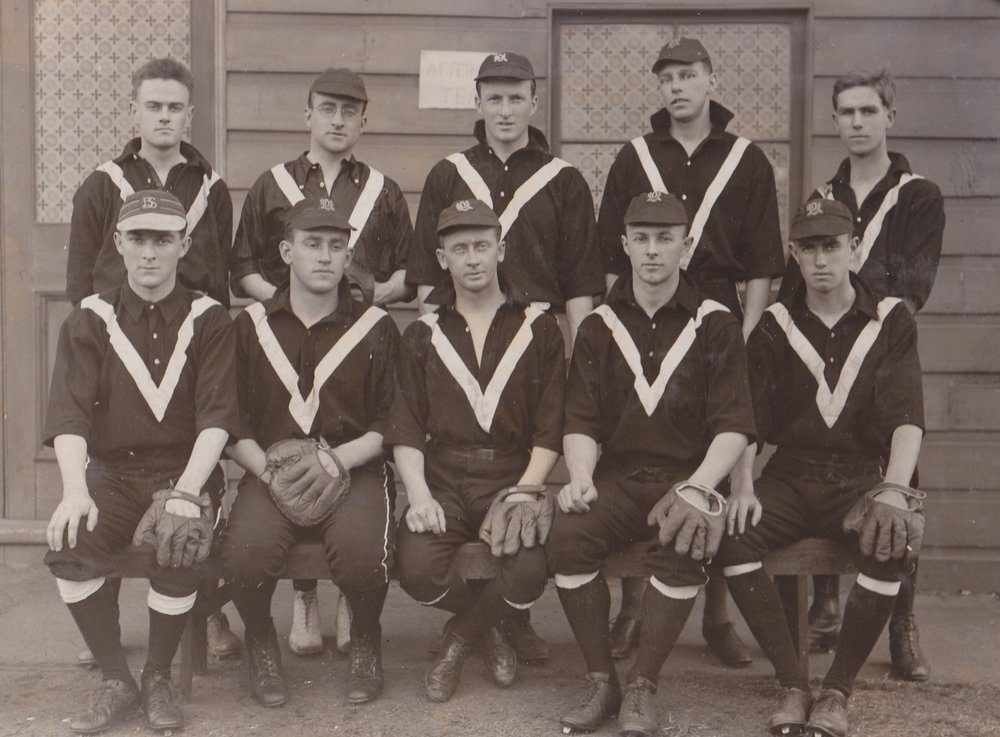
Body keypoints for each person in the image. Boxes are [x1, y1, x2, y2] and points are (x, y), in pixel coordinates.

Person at [596, 37, 785, 666]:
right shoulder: (635, 157)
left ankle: (716, 615)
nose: (677, 87)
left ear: (711, 79)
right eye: (668, 77)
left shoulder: (746, 159)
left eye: (689, 75)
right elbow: (608, 251)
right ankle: (632, 607)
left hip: (719, 316)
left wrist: (750, 328)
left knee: (721, 450)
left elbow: (760, 258)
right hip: (645, 310)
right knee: (638, 440)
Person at [547, 192, 755, 736]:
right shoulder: (597, 325)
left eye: (665, 239)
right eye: (641, 238)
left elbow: (734, 425)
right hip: (618, 481)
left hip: (685, 480)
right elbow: (581, 422)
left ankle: (641, 685)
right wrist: (581, 478)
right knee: (567, 534)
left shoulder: (716, 324)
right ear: (624, 246)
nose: (653, 250)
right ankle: (601, 680)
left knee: (687, 536)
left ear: (685, 247)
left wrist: (700, 488)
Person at [719, 199, 926, 737]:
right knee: (732, 537)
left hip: (860, 477)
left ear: (854, 248)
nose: (820, 260)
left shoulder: (891, 319)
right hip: (791, 475)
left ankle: (836, 690)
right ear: (793, 254)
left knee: (890, 540)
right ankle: (793, 685)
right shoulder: (774, 324)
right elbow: (747, 421)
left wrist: (896, 489)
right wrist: (742, 484)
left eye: (831, 246)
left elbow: (907, 419)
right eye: (807, 248)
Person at [228, 66, 413, 655]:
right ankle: (303, 595)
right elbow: (243, 269)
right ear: (307, 115)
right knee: (291, 449)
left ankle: (353, 611)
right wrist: (289, 310)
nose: (338, 121)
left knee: (337, 464)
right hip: (289, 332)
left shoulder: (383, 190)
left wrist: (363, 303)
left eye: (349, 111)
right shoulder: (271, 184)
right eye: (327, 109)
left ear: (364, 121)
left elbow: (410, 272)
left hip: (355, 339)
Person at [44, 190, 239, 734]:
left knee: (179, 539)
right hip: (111, 474)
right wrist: (74, 490)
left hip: (186, 474)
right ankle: (117, 680)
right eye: (138, 239)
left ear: (184, 244)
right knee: (70, 542)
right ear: (118, 244)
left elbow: (217, 418)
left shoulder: (210, 318)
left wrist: (185, 492)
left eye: (162, 239)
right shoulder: (91, 318)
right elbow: (69, 418)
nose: (149, 253)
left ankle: (157, 677)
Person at [780, 70, 944, 679]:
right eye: (845, 112)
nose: (855, 122)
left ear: (889, 116)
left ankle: (902, 621)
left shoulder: (918, 195)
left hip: (884, 349)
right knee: (819, 452)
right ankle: (825, 601)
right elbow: (797, 282)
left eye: (867, 111)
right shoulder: (825, 195)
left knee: (897, 471)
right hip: (824, 345)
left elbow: (912, 285)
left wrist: (856, 314)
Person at [219, 198, 399, 708]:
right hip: (270, 468)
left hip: (353, 467)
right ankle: (260, 640)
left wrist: (338, 460)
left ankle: (365, 639)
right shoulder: (249, 326)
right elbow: (230, 419)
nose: (325, 256)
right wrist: (267, 472)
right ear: (286, 251)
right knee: (243, 556)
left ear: (348, 257)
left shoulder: (376, 327)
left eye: (336, 247)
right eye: (312, 244)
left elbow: (392, 420)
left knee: (365, 556)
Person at [388, 199, 566, 702]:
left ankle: (461, 638)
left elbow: (551, 429)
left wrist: (528, 491)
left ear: (500, 249)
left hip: (512, 475)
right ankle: (490, 628)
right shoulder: (423, 332)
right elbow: (404, 427)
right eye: (459, 248)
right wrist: (419, 496)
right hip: (444, 476)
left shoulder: (538, 325)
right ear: (441, 258)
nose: (472, 259)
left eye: (482, 246)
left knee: (529, 570)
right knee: (417, 568)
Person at [66, 57, 232, 308]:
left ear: (189, 115)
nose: (164, 117)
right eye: (154, 107)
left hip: (191, 330)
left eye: (174, 108)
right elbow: (79, 285)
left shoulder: (211, 188)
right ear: (135, 111)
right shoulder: (102, 184)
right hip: (117, 329)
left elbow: (219, 285)